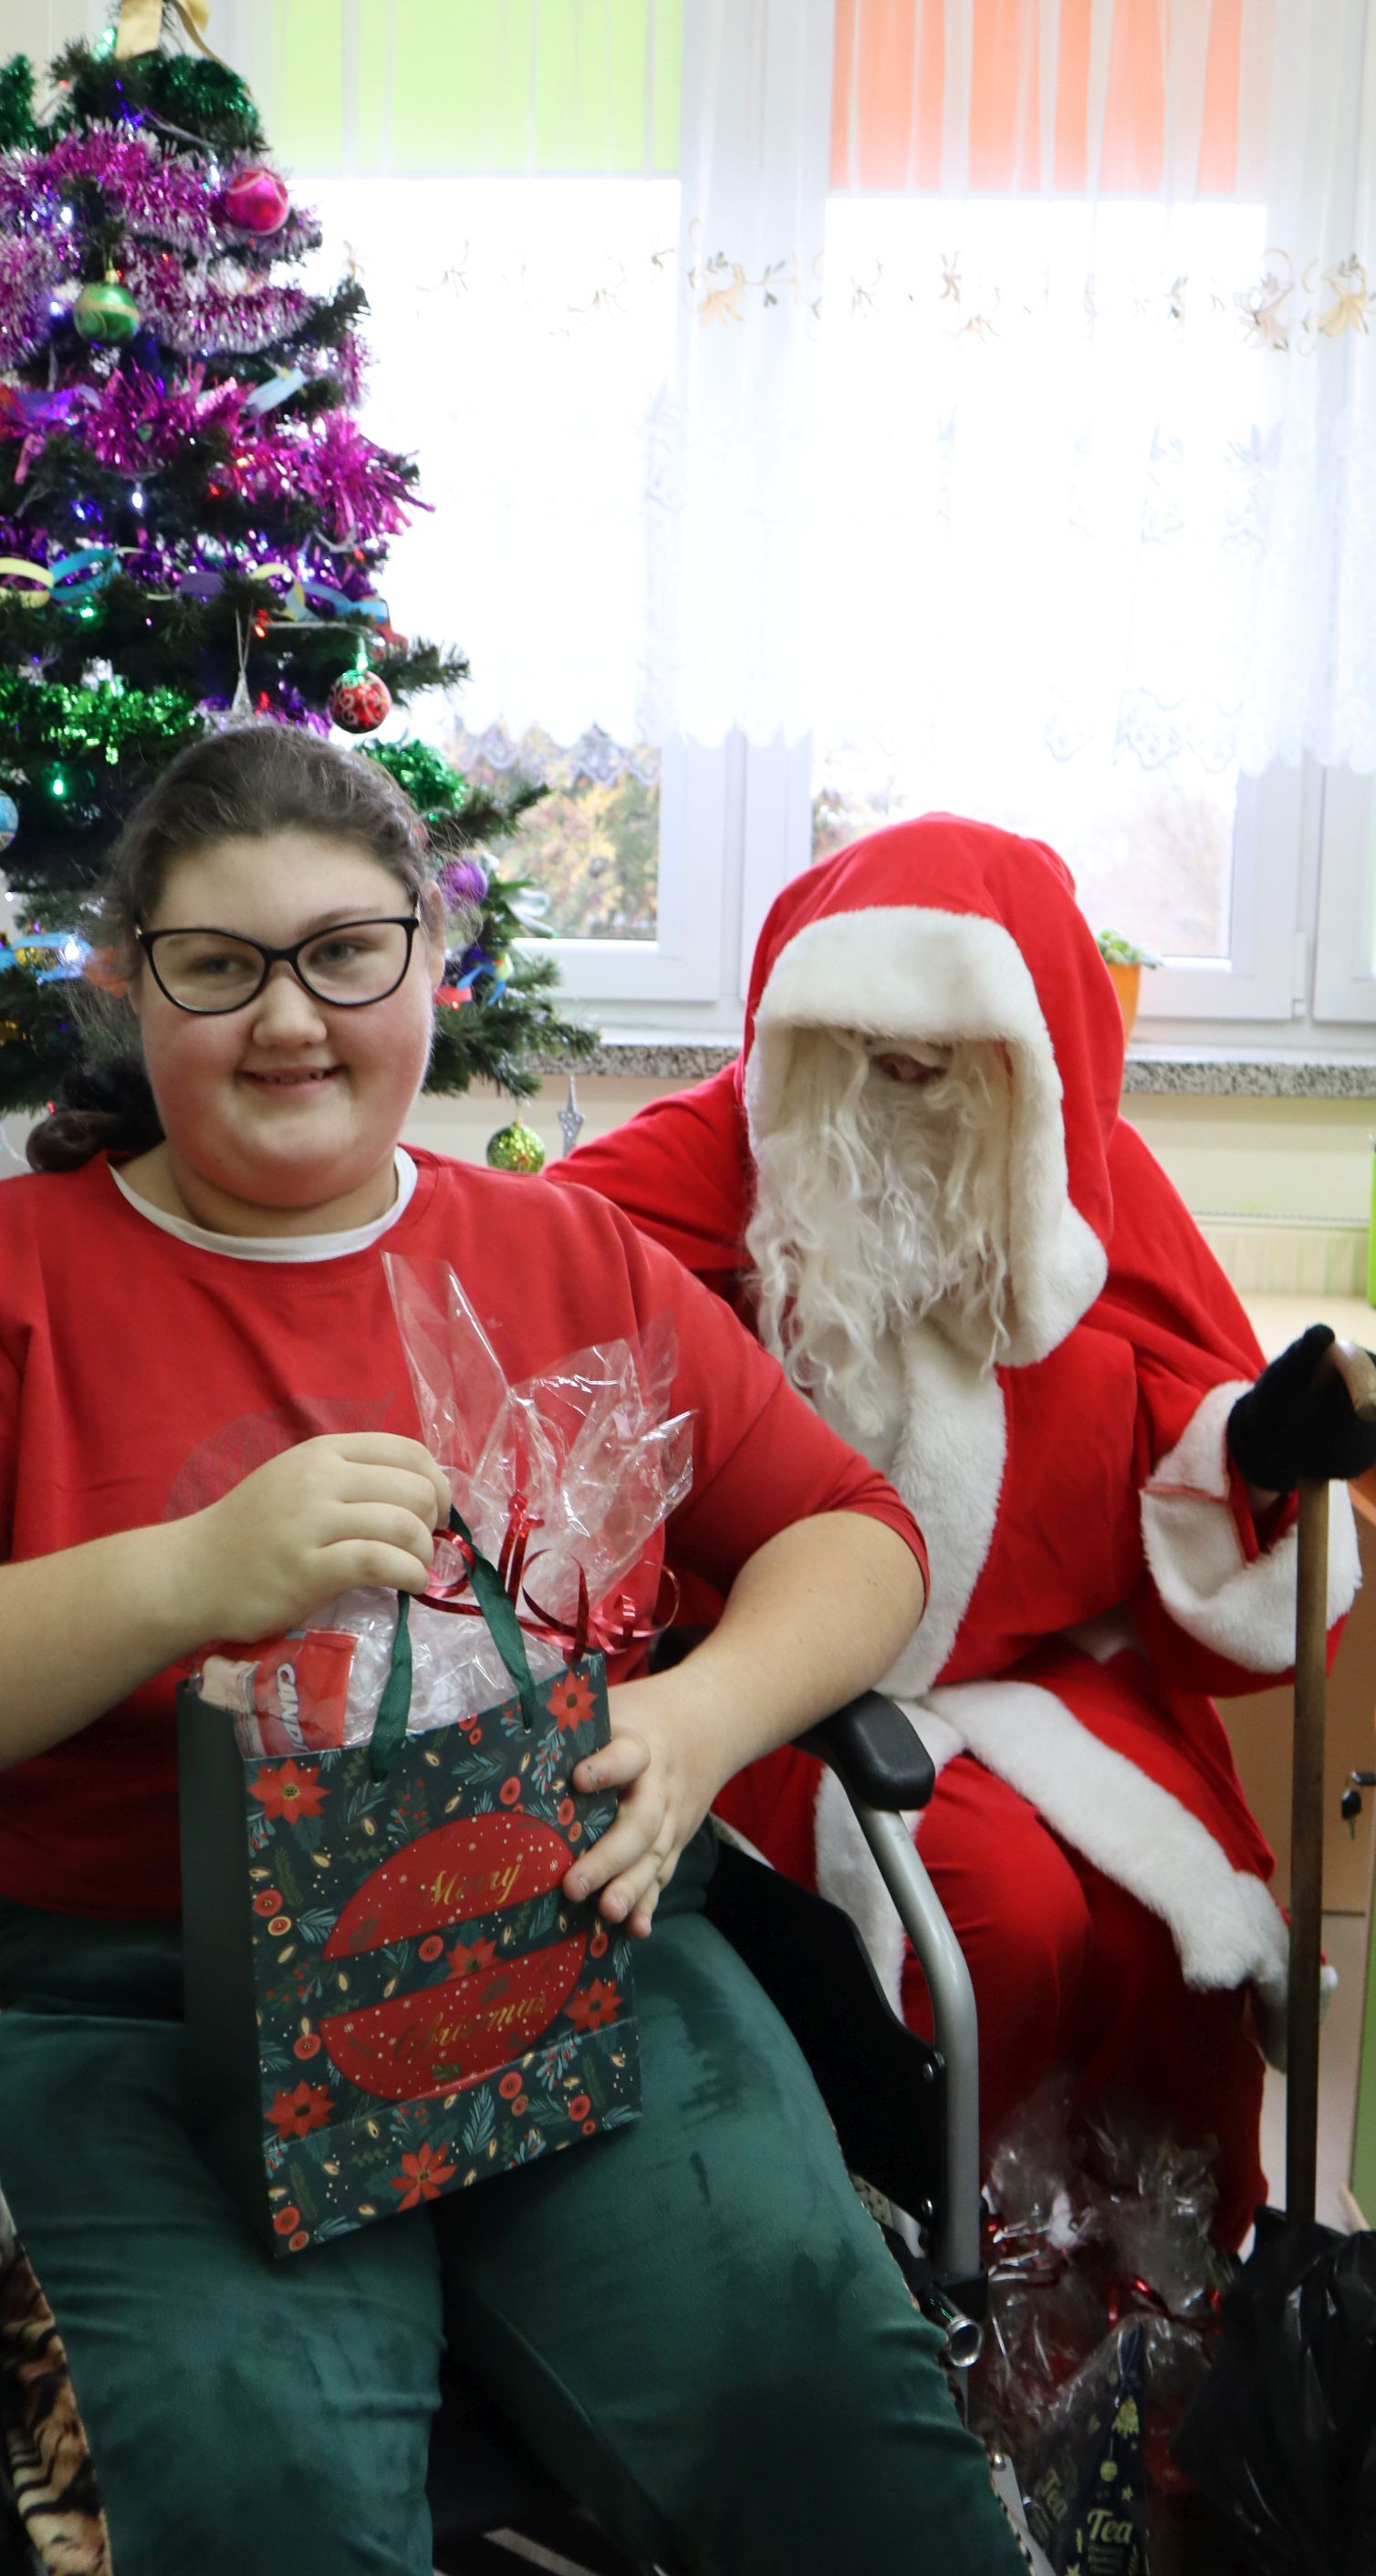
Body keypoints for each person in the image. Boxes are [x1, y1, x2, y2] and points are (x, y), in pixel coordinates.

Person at [0, 731, 1029, 2576]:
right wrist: (182, 1576)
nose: (287, 1019)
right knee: (261, 2502)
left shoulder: (568, 1258)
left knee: (828, 2430)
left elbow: (852, 1532)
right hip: (143, 2006)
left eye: (344, 953)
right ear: (128, 983)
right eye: (218, 966)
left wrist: (704, 1713)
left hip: (570, 1949)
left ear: (429, 963)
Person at [550, 814, 1376, 2249]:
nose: (904, 1075)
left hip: (1042, 1681)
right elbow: (517, 1290)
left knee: (1165, 1935)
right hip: (789, 1685)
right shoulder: (689, 1171)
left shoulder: (1093, 1195)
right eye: (866, 1048)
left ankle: (1128, 2283)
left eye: (946, 1056)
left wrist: (1255, 1454)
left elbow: (1174, 1423)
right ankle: (918, 2255)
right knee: (1005, 1925)